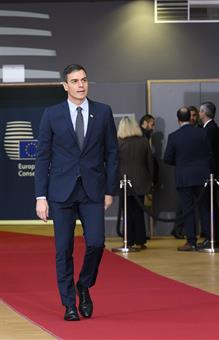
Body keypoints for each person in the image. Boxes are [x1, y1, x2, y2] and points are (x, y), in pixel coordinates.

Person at [34, 64, 118, 321]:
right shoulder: (51, 114)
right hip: (61, 193)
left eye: (84, 80)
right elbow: (42, 157)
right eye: (74, 81)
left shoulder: (103, 112)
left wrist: (109, 190)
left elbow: (112, 153)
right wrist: (41, 197)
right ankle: (69, 304)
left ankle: (84, 284)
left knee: (96, 243)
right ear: (65, 85)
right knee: (63, 249)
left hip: (92, 191)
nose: (81, 85)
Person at [164, 106, 210, 251]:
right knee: (204, 208)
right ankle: (209, 239)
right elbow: (210, 153)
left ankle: (191, 241)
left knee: (188, 210)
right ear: (191, 118)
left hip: (184, 177)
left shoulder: (174, 136)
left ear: (178, 120)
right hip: (202, 176)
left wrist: (180, 163)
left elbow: (167, 159)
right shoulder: (202, 133)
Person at [117, 116, 154, 249]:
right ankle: (140, 240)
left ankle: (129, 240)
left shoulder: (118, 143)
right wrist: (151, 180)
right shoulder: (143, 141)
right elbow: (150, 162)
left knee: (126, 212)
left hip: (124, 181)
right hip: (141, 181)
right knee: (138, 211)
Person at [198, 101, 219, 247]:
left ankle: (211, 237)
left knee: (208, 206)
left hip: (210, 173)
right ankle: (213, 236)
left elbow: (209, 153)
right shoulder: (210, 128)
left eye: (201, 111)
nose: (199, 113)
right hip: (211, 173)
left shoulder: (210, 129)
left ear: (205, 113)